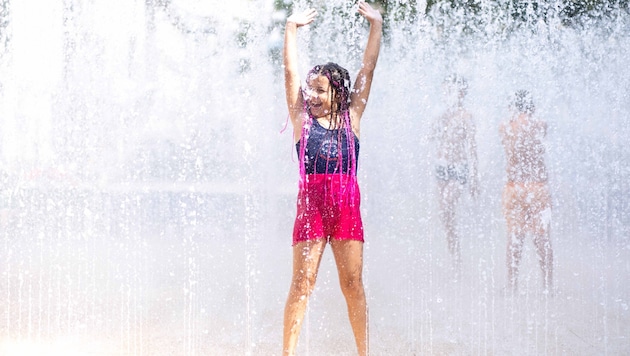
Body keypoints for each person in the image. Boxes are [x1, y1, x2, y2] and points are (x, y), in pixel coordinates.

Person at [282, 2, 382, 355]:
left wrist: (376, 26)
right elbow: (291, 74)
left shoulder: (352, 117)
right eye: (311, 89)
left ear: (338, 92)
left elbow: (367, 69)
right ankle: (287, 353)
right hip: (311, 209)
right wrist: (290, 29)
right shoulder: (301, 120)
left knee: (352, 284)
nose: (312, 95)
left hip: (346, 210)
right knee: (302, 283)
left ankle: (364, 352)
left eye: (320, 89)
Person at [499, 90, 553, 294]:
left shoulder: (505, 127)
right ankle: (547, 286)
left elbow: (507, 144)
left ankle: (512, 285)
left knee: (514, 236)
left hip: (514, 187)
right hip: (538, 187)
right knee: (542, 237)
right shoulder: (540, 125)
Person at [431, 74, 478, 279]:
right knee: (446, 216)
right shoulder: (443, 115)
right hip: (442, 167)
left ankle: (459, 256)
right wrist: (438, 121)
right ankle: (455, 256)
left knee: (449, 202)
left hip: (459, 167)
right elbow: (430, 137)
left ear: (462, 93)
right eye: (446, 91)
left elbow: (473, 147)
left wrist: (475, 177)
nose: (448, 94)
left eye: (452, 90)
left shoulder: (466, 116)